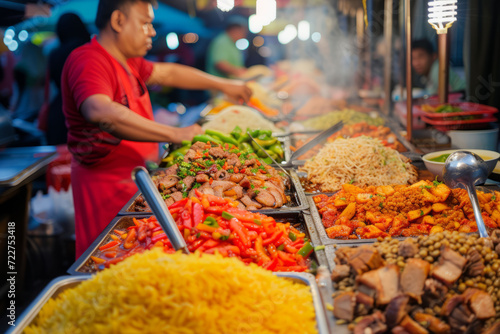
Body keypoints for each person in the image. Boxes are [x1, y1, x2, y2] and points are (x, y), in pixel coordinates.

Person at [61, 0, 252, 257]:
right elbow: (100, 111)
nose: (152, 31)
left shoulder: (130, 63)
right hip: (106, 188)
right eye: (145, 23)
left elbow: (169, 73)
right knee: (110, 263)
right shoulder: (89, 59)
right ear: (118, 21)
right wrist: (175, 133)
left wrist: (225, 85)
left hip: (140, 182)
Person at [46, 13, 91, 145]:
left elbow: (53, 82)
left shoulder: (55, 53)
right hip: (85, 110)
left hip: (59, 111)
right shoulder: (89, 50)